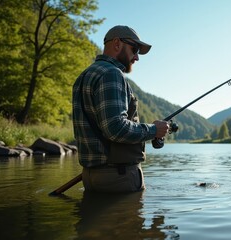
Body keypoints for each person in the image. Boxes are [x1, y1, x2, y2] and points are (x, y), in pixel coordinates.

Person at [72, 25, 169, 193]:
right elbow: (115, 128)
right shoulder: (112, 74)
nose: (137, 57)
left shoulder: (84, 76)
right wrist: (153, 130)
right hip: (118, 177)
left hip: (91, 176)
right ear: (117, 43)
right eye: (135, 49)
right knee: (127, 220)